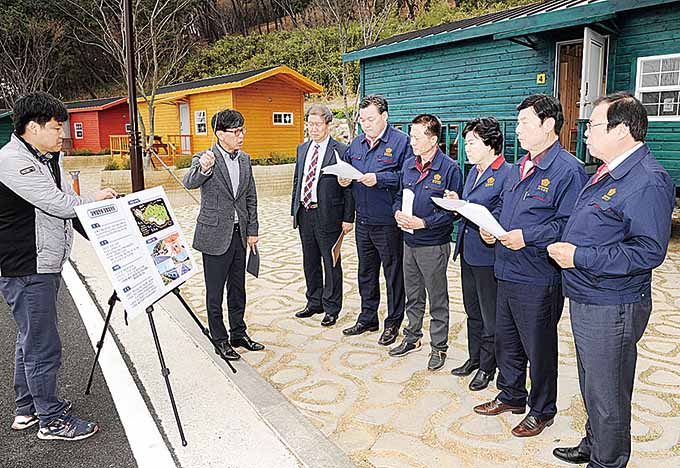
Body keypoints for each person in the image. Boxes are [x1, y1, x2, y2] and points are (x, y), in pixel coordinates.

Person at [547, 92, 674, 467]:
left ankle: (608, 460)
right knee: (593, 383)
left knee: (608, 391)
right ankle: (595, 443)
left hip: (613, 304)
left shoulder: (648, 181)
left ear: (621, 130)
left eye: (593, 125)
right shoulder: (609, 169)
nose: (585, 133)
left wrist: (579, 255)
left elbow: (648, 252)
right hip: (590, 295)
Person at [0, 92, 117, 441]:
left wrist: (108, 237)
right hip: (27, 267)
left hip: (45, 263)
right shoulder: (11, 160)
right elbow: (60, 203)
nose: (61, 134)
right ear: (32, 128)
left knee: (30, 339)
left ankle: (27, 410)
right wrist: (94, 201)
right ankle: (51, 420)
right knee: (42, 344)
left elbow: (70, 211)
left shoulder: (49, 158)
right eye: (55, 127)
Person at [474, 94, 587, 438]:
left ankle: (542, 409)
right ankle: (511, 395)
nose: (518, 129)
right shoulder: (519, 166)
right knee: (507, 339)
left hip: (539, 275)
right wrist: (491, 229)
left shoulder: (568, 170)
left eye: (525, 122)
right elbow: (507, 211)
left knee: (538, 347)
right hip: (506, 267)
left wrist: (528, 236)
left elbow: (569, 225)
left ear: (548, 124)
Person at [183, 109, 263, 362]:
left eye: (243, 130)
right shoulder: (206, 158)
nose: (241, 136)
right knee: (214, 292)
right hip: (215, 235)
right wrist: (204, 169)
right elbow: (190, 181)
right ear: (220, 134)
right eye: (236, 131)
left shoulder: (245, 159)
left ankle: (238, 332)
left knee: (238, 288)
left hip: (239, 234)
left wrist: (253, 231)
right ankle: (219, 339)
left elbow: (250, 196)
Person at [389, 114, 462, 371]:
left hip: (433, 245)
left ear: (432, 140)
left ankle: (439, 347)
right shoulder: (409, 164)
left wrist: (425, 223)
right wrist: (397, 212)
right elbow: (399, 196)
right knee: (413, 295)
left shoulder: (449, 169)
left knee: (437, 298)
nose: (411, 141)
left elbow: (453, 211)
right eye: (411, 135)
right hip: (409, 242)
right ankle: (412, 337)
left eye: (416, 137)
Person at [338, 95, 411, 346]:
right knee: (366, 272)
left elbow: (407, 177)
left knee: (393, 274)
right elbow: (345, 169)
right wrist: (343, 179)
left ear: (384, 117)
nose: (365, 124)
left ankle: (393, 322)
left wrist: (379, 179)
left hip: (389, 222)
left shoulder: (402, 143)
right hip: (364, 221)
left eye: (370, 119)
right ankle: (368, 317)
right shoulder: (356, 144)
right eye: (362, 119)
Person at [448, 117, 512, 390]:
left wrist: (492, 228)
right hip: (469, 251)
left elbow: (503, 212)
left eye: (472, 143)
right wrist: (456, 203)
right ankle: (474, 357)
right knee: (472, 309)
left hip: (489, 255)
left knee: (490, 315)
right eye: (466, 143)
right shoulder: (473, 171)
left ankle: (488, 366)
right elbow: (470, 205)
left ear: (490, 143)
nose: (466, 148)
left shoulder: (506, 173)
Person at [291, 104, 354, 327]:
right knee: (310, 261)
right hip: (305, 212)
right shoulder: (302, 149)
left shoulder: (341, 150)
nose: (313, 128)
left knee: (331, 262)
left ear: (328, 125)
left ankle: (331, 307)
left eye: (318, 124)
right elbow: (298, 180)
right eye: (310, 123)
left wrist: (348, 218)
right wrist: (294, 211)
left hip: (329, 215)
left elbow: (348, 187)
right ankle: (314, 301)